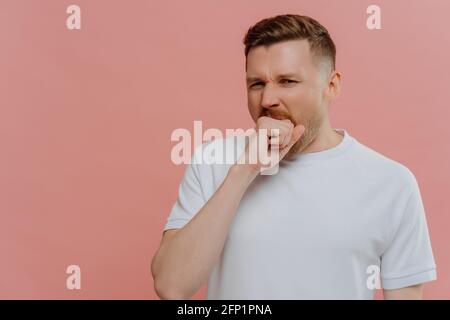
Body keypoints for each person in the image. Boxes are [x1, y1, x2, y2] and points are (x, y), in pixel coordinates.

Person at [151, 14, 437, 299]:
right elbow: (171, 286)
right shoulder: (213, 161)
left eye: (287, 81)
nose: (267, 100)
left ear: (332, 85)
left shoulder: (392, 183)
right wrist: (245, 169)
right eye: (256, 84)